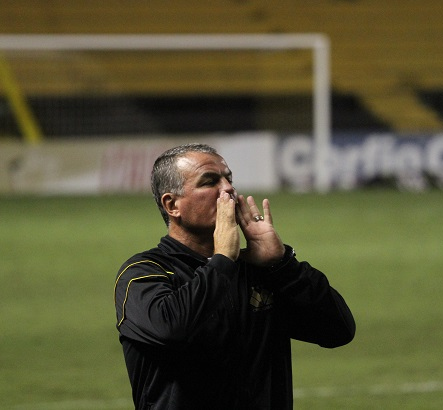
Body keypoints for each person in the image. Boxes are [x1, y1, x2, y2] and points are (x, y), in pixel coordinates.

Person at [114, 143, 355, 409]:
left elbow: (338, 331)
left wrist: (283, 264)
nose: (227, 188)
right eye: (209, 182)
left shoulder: (260, 271)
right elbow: (171, 329)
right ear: (172, 205)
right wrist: (222, 261)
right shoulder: (142, 274)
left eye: (228, 179)